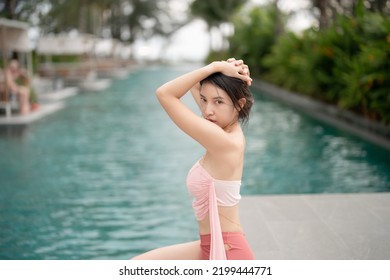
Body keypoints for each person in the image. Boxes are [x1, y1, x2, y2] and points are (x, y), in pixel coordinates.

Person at [131, 58, 255, 260]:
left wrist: (215, 67)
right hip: (210, 245)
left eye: (218, 102)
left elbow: (165, 94)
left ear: (239, 104)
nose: (207, 110)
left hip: (228, 251)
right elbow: (195, 86)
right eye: (204, 100)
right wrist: (226, 68)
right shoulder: (222, 126)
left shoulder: (224, 142)